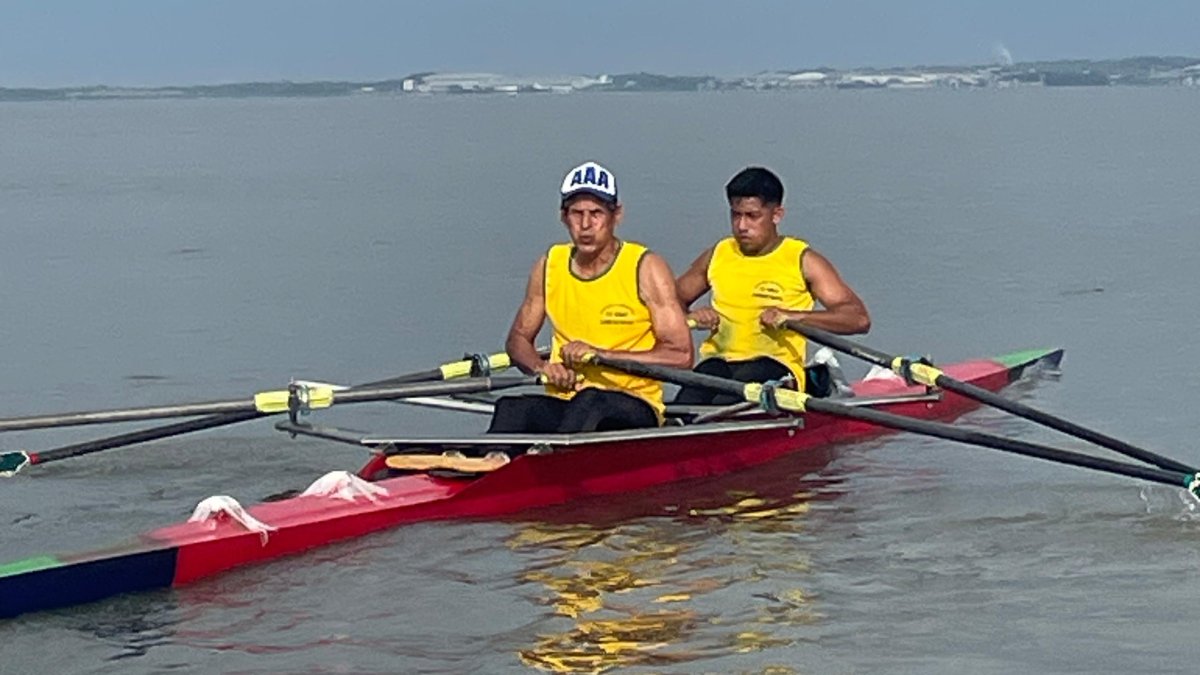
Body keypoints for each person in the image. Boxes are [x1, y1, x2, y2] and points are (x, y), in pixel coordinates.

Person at [489, 161, 694, 433]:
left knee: (591, 400)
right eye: (577, 214)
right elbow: (518, 341)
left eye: (596, 213)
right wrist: (540, 367)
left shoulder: (645, 267)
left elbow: (681, 355)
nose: (586, 225)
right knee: (512, 408)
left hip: (633, 404)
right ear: (564, 217)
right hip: (567, 402)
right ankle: (482, 463)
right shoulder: (549, 265)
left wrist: (601, 355)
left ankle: (548, 463)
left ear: (616, 215)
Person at [674, 166, 870, 405]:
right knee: (682, 407)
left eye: (752, 216)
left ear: (777, 215)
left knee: (724, 403)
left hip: (775, 366)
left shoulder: (803, 260)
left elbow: (858, 318)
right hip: (718, 363)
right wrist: (691, 315)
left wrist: (792, 317)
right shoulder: (718, 254)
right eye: (736, 215)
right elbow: (668, 302)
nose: (742, 226)